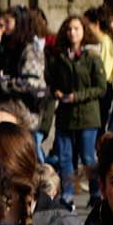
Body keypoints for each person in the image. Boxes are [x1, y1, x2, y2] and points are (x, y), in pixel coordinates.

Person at [45, 15, 108, 208]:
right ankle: (68, 195)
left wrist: (77, 96)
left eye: (77, 29)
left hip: (88, 116)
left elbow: (101, 88)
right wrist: (56, 92)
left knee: (88, 157)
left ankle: (96, 193)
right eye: (69, 29)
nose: (73, 32)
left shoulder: (92, 58)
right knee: (65, 157)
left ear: (84, 32)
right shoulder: (59, 58)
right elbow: (52, 81)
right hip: (65, 115)